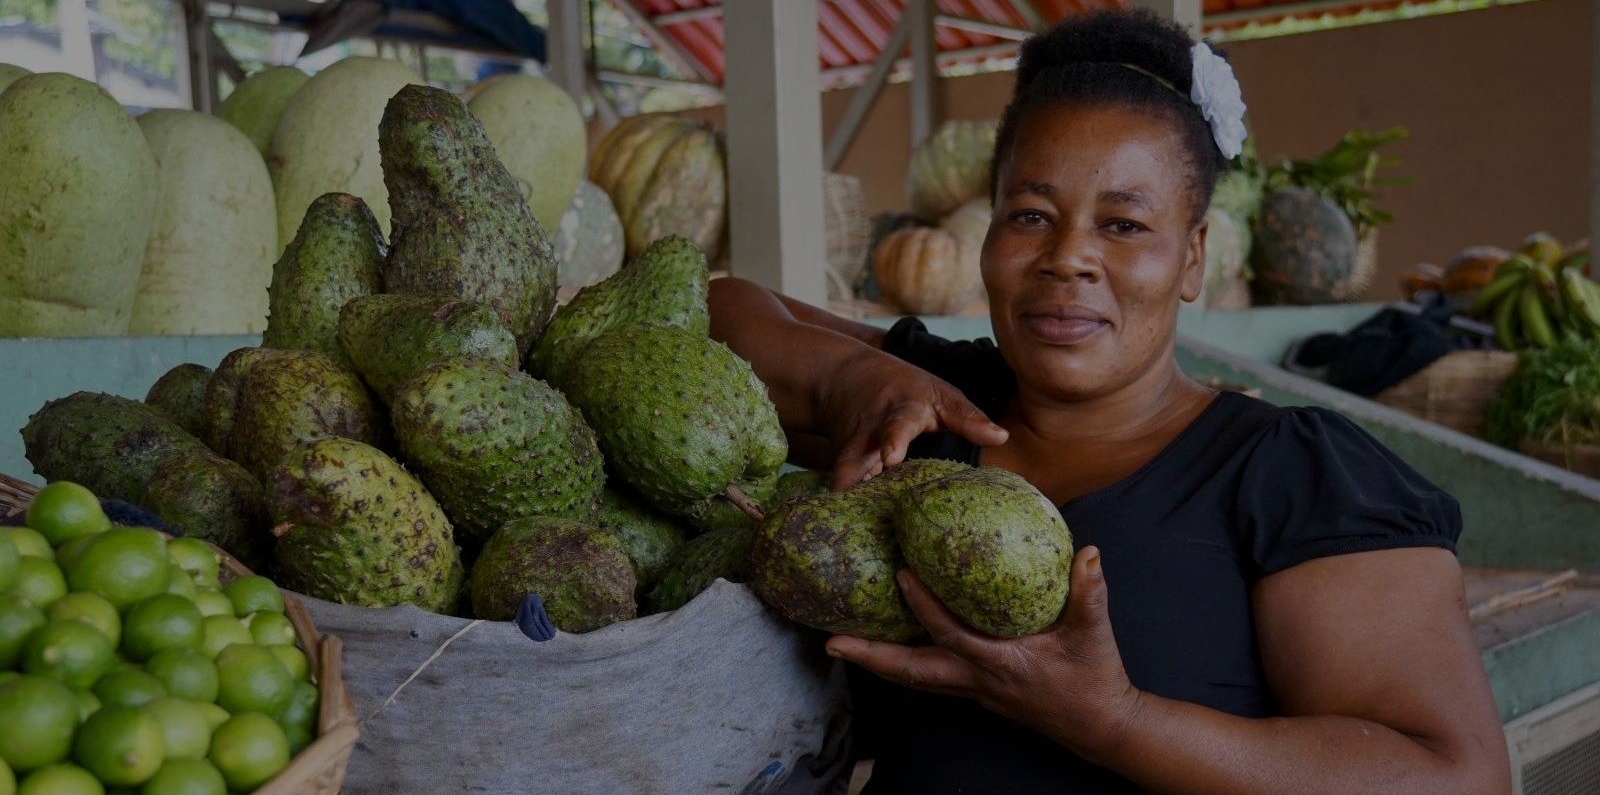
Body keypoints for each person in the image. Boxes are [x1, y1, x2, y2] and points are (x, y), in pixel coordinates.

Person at [708, 9, 1511, 795]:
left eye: (1123, 223)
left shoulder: (1287, 474)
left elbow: (1460, 774)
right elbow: (718, 312)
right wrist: (853, 378)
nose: (1068, 258)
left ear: (1192, 259)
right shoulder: (936, 405)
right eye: (1030, 215)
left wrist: (1115, 722)